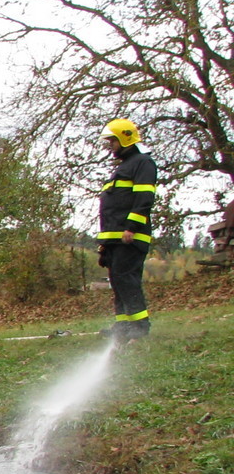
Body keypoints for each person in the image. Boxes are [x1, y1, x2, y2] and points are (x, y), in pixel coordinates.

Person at [97, 118, 157, 341]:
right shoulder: (123, 167)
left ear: (125, 138)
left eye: (112, 140)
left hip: (129, 236)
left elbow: (144, 198)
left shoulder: (142, 163)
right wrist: (106, 242)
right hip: (115, 238)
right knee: (118, 280)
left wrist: (132, 227)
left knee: (126, 278)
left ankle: (140, 326)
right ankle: (123, 326)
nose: (110, 145)